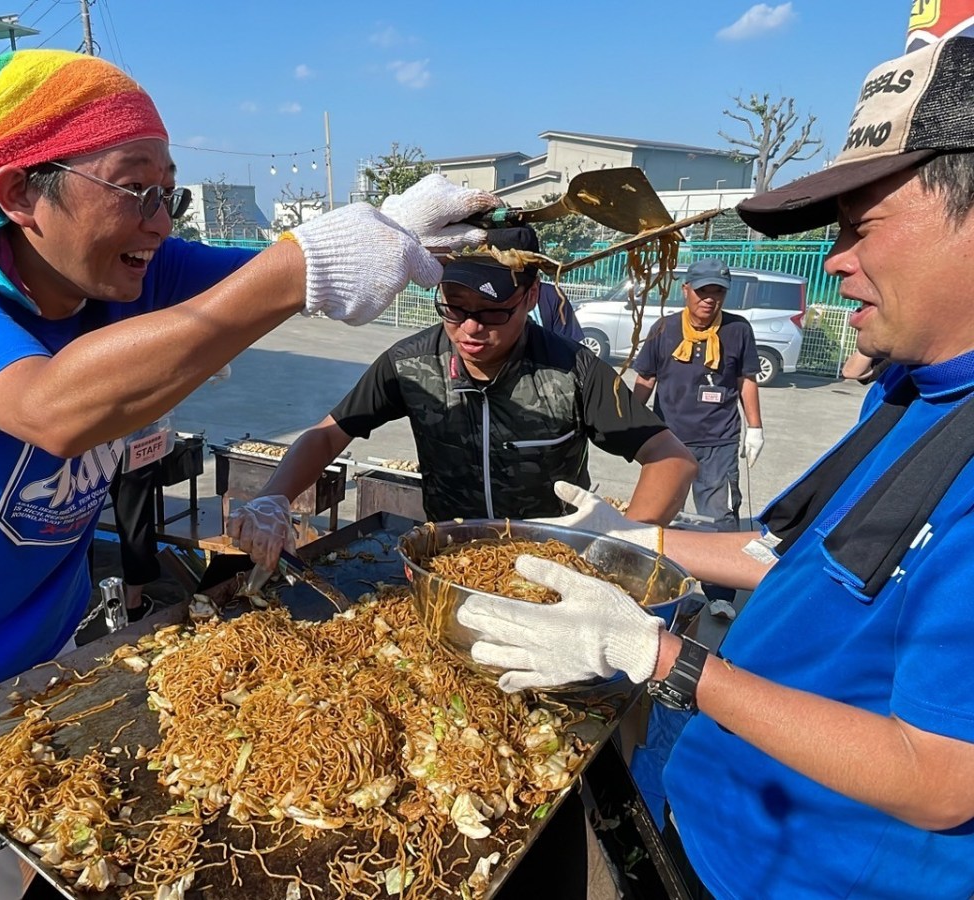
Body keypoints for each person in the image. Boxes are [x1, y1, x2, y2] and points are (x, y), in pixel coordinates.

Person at [0, 49, 500, 900]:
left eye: (170, 193)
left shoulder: (138, 273)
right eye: (135, 188)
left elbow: (269, 275)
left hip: (42, 643)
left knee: (52, 852)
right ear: (20, 192)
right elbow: (55, 412)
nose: (161, 222)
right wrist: (296, 267)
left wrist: (380, 227)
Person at [455, 35, 974, 899]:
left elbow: (942, 776)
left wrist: (667, 661)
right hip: (707, 828)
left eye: (860, 226)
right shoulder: (912, 393)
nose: (837, 260)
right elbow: (789, 557)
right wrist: (629, 534)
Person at [227, 224, 697, 571]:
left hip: (550, 567)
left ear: (531, 296)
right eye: (454, 307)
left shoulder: (571, 369)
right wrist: (272, 500)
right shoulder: (411, 364)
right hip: (449, 564)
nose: (470, 329)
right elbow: (328, 437)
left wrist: (623, 540)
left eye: (492, 312)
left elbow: (671, 459)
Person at [631, 258, 763, 609]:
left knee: (719, 519)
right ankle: (647, 583)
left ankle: (720, 595)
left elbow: (745, 379)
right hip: (668, 440)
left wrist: (755, 428)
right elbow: (645, 379)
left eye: (717, 292)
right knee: (655, 515)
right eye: (703, 291)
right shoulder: (663, 329)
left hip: (718, 439)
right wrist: (626, 421)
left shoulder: (738, 330)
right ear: (686, 290)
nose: (710, 299)